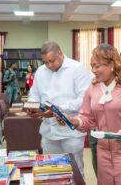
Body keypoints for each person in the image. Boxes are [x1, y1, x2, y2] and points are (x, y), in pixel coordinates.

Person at [56, 44, 121, 185]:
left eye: (97, 66)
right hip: (102, 152)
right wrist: (73, 121)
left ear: (112, 64)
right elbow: (87, 119)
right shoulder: (93, 88)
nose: (93, 70)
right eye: (92, 66)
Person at [27, 41, 90, 176]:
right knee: (50, 170)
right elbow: (34, 94)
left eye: (52, 61)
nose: (49, 65)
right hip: (48, 131)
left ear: (60, 53)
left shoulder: (77, 68)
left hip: (71, 132)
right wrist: (32, 106)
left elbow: (84, 99)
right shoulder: (40, 71)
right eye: (45, 62)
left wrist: (58, 110)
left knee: (74, 170)